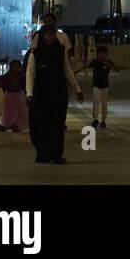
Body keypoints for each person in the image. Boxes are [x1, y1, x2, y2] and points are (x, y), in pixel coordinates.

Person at [26, 25, 83, 164]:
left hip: (58, 94)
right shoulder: (35, 53)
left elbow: (67, 71)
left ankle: (57, 154)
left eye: (52, 34)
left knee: (57, 125)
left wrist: (77, 89)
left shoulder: (60, 51)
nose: (49, 37)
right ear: (42, 36)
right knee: (39, 124)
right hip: (41, 94)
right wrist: (29, 93)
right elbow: (30, 73)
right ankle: (42, 153)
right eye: (46, 34)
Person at [78, 45, 120, 128]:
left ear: (106, 54)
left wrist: (109, 65)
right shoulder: (95, 62)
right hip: (96, 86)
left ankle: (103, 120)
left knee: (104, 104)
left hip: (105, 86)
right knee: (96, 103)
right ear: (97, 55)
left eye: (104, 54)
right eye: (100, 54)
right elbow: (86, 66)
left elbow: (117, 69)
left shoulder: (108, 62)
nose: (102, 56)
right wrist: (77, 71)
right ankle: (95, 119)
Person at [0, 58, 28, 132]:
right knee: (9, 111)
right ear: (11, 67)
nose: (16, 68)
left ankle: (17, 125)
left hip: (19, 95)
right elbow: (3, 86)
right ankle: (8, 124)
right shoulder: (6, 76)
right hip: (9, 95)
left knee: (20, 111)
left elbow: (24, 86)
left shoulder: (22, 76)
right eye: (14, 66)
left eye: (18, 66)